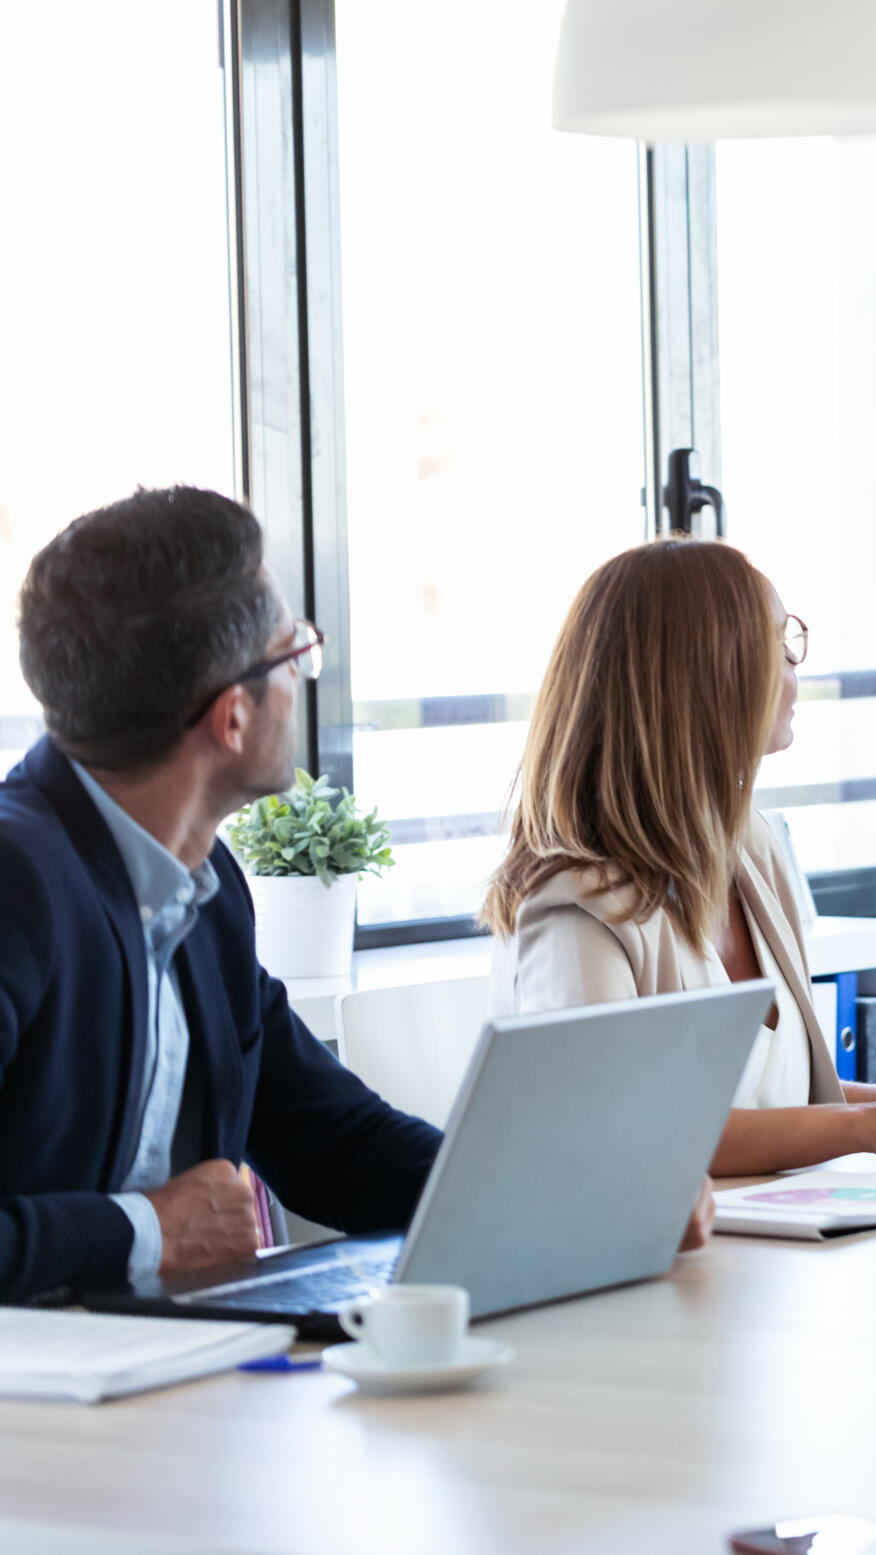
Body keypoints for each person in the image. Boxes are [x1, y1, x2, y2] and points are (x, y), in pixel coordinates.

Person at [0, 489, 718, 1307]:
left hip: (171, 1375)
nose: (306, 680)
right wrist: (147, 1232)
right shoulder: (19, 878)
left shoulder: (205, 887)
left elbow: (329, 1138)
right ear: (232, 717)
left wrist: (580, 1201)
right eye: (295, 656)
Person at [485, 538, 876, 1176]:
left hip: (774, 1247)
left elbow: (792, 1105)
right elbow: (625, 1133)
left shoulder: (749, 847)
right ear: (706, 675)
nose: (795, 667)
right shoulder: (574, 907)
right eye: (780, 643)